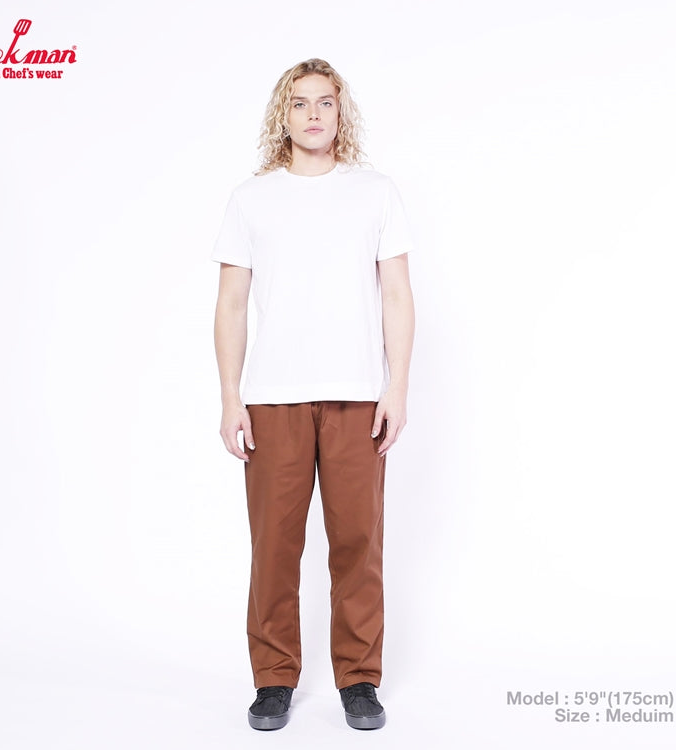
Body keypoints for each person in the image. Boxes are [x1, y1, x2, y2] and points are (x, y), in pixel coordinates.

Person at [212, 58, 415, 731]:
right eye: (299, 103)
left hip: (357, 393)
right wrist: (230, 398)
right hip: (273, 395)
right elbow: (231, 304)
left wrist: (397, 387)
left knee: (358, 541)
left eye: (325, 102)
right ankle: (274, 678)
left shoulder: (375, 193)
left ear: (340, 112)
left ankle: (359, 678)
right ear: (284, 115)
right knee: (274, 545)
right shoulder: (252, 198)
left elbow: (397, 294)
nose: (313, 114)